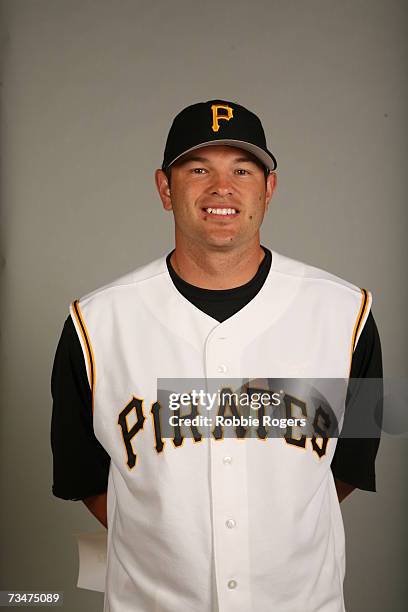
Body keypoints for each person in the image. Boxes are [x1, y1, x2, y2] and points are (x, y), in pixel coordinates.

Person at [51, 99, 382, 612]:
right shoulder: (94, 324)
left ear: (268, 189)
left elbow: (352, 462)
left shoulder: (346, 313)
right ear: (165, 187)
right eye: (198, 168)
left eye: (242, 169)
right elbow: (84, 477)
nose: (221, 188)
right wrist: (168, 541)